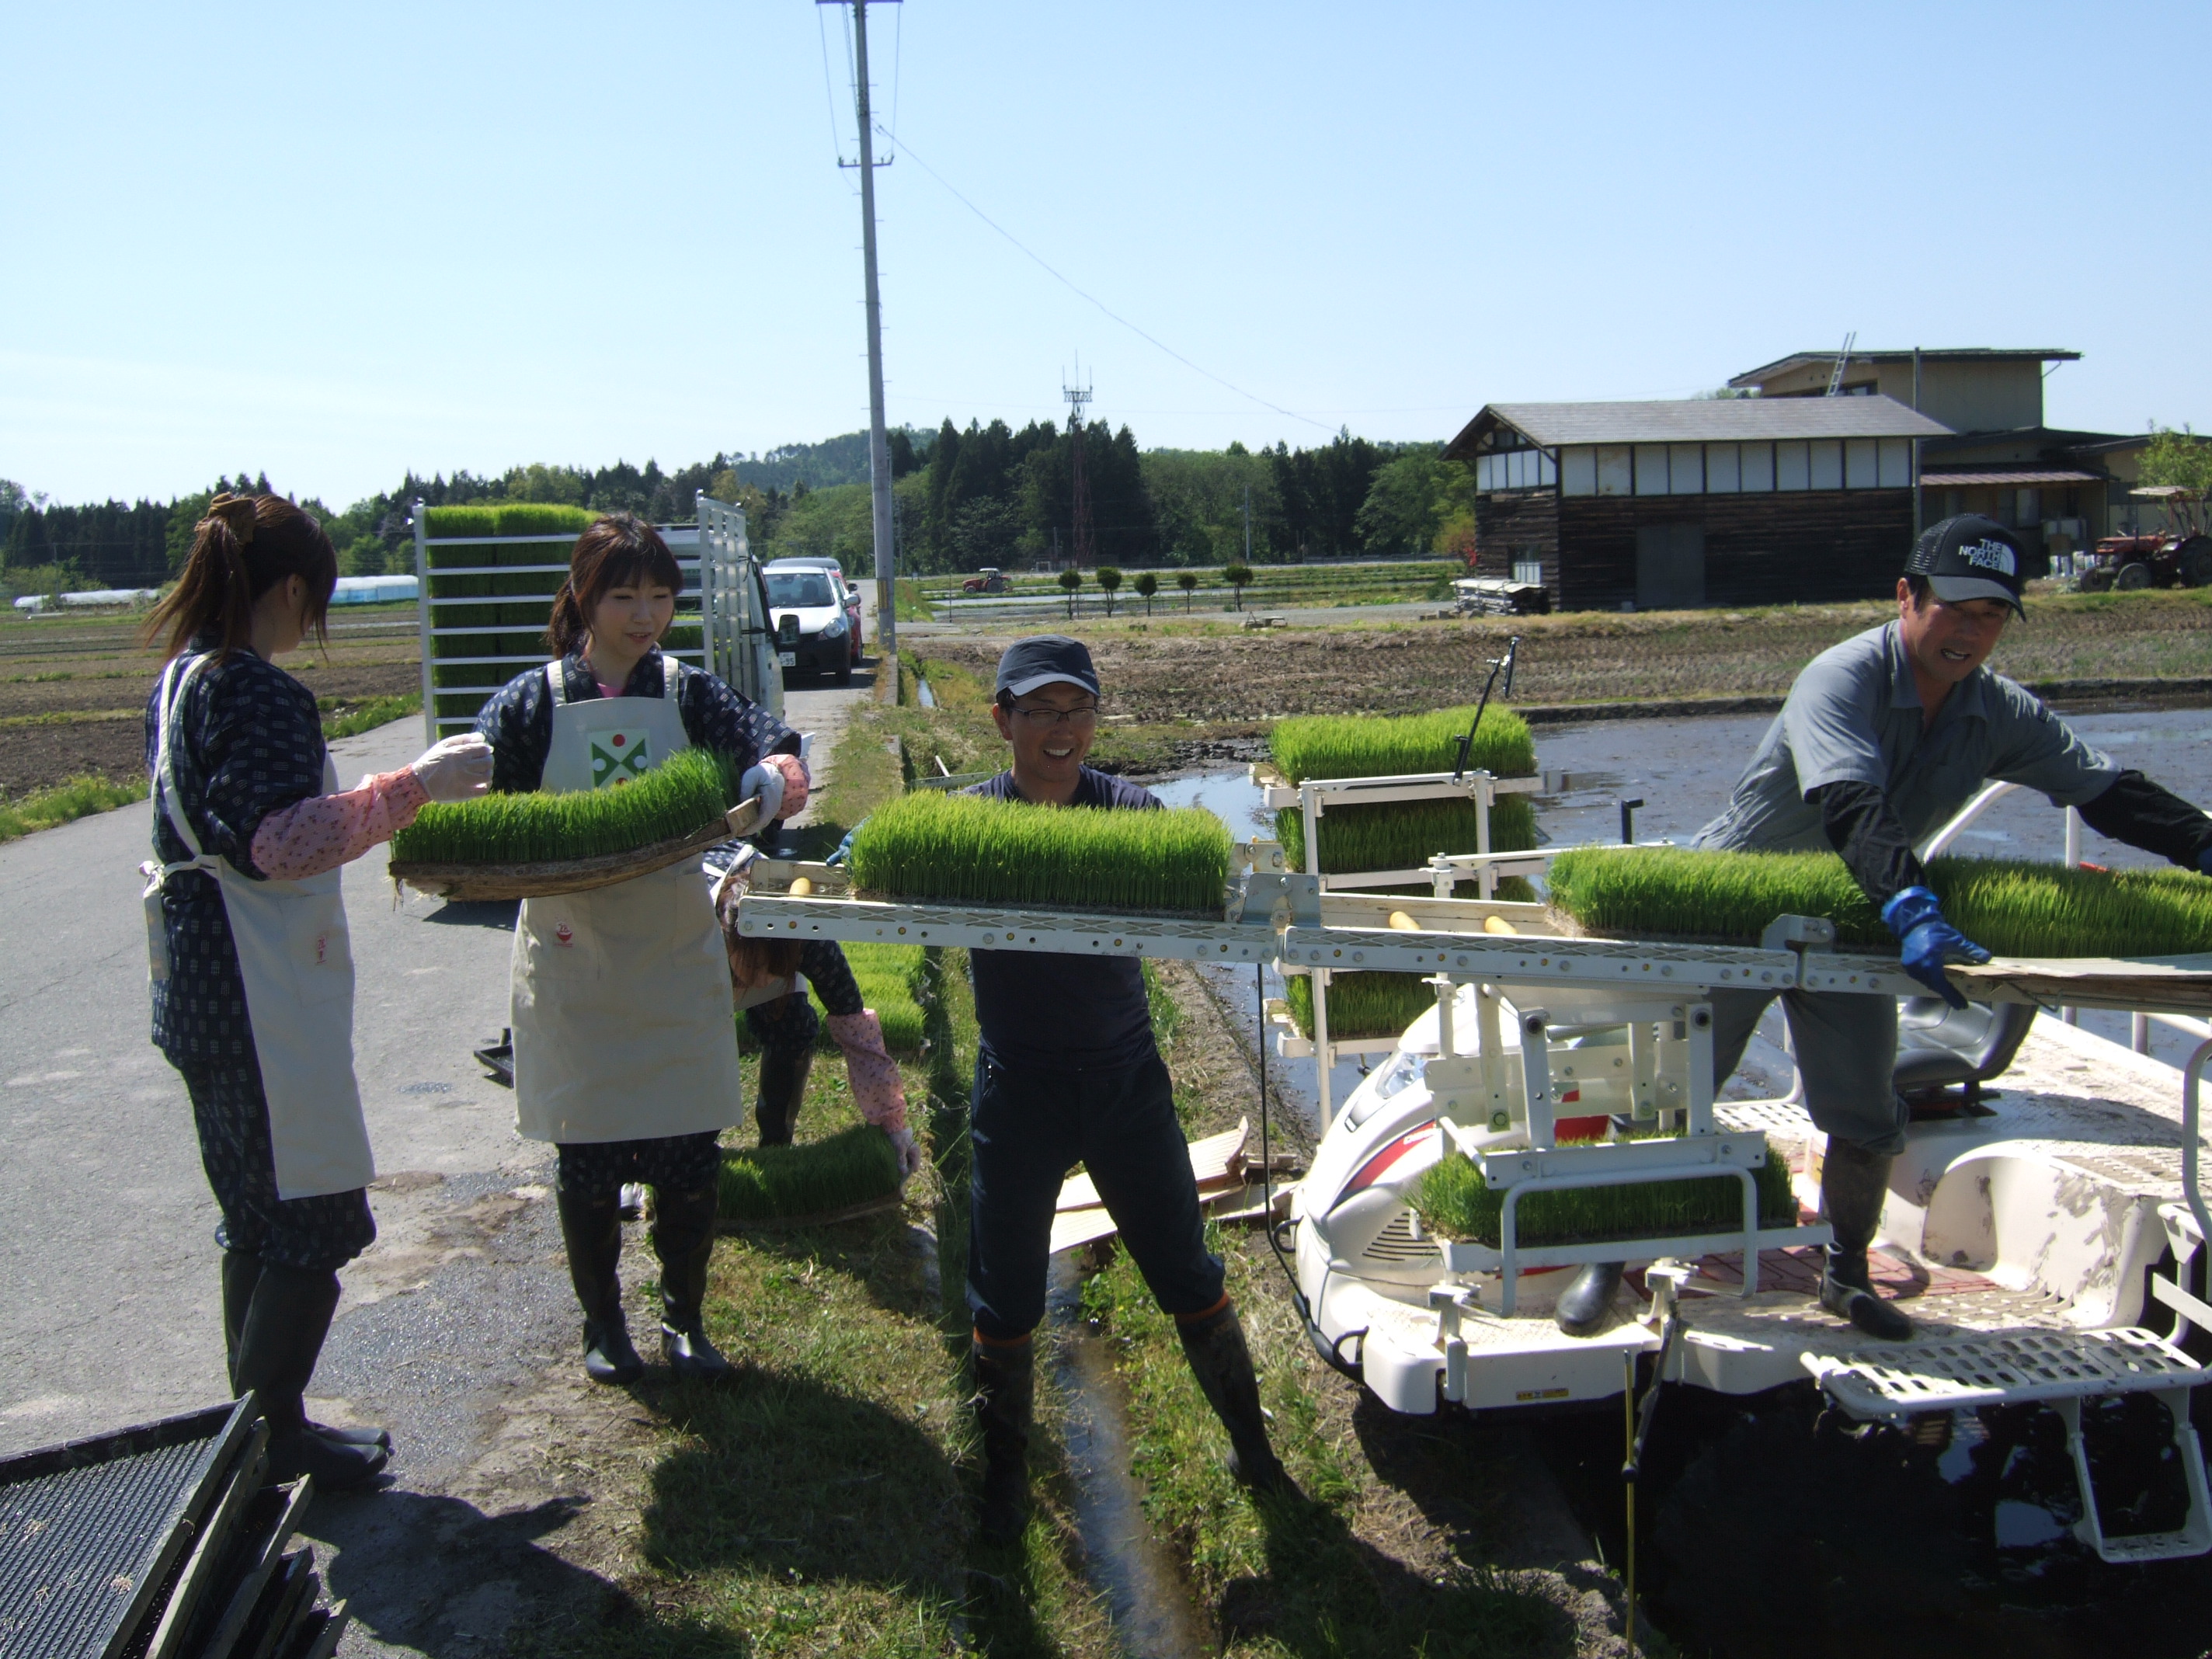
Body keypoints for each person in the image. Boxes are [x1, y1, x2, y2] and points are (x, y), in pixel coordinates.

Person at [1553, 516, 2212, 1341]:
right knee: (1669, 1095)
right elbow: (1849, 802)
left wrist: (2202, 844)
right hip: (1732, 911)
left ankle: (1845, 1274)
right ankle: (1607, 1265)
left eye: (1994, 616)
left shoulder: (1995, 711)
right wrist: (1913, 909)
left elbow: (2106, 790)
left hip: (1851, 923)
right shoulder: (1841, 677)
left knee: (1864, 1112)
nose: (1972, 631)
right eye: (1956, 609)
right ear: (1908, 596)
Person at [141, 492, 495, 1487]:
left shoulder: (181, 682)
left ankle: (259, 1426)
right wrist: (417, 786)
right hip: (258, 999)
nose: (313, 625)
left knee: (254, 1210)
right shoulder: (255, 691)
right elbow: (279, 842)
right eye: (316, 604)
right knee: (313, 1214)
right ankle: (266, 1445)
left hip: (199, 990)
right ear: (293, 589)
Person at [959, 635, 1287, 1545]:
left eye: (1078, 711)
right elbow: (875, 860)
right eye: (1040, 712)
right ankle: (1005, 1484)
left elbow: (1207, 876)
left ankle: (1255, 1454)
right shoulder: (971, 821)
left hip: (1122, 1084)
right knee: (1008, 1290)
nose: (1062, 732)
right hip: (1016, 1089)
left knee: (1186, 1270)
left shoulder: (1130, 810)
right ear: (1003, 721)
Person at [473, 513, 809, 1385]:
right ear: (585, 595)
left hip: (668, 955)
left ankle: (684, 1319)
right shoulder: (532, 701)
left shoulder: (690, 693)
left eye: (660, 595)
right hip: (573, 956)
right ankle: (602, 1325)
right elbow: (484, 807)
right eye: (624, 595)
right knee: (586, 1157)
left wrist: (779, 778)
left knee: (687, 1156)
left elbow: (775, 744)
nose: (645, 614)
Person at [711, 903, 922, 1175]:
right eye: (755, 966)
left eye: (776, 968)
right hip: (702, 966)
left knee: (793, 1026)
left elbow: (857, 1030)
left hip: (755, 953)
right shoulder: (695, 938)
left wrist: (895, 1124)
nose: (762, 980)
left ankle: (776, 1145)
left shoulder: (811, 941)